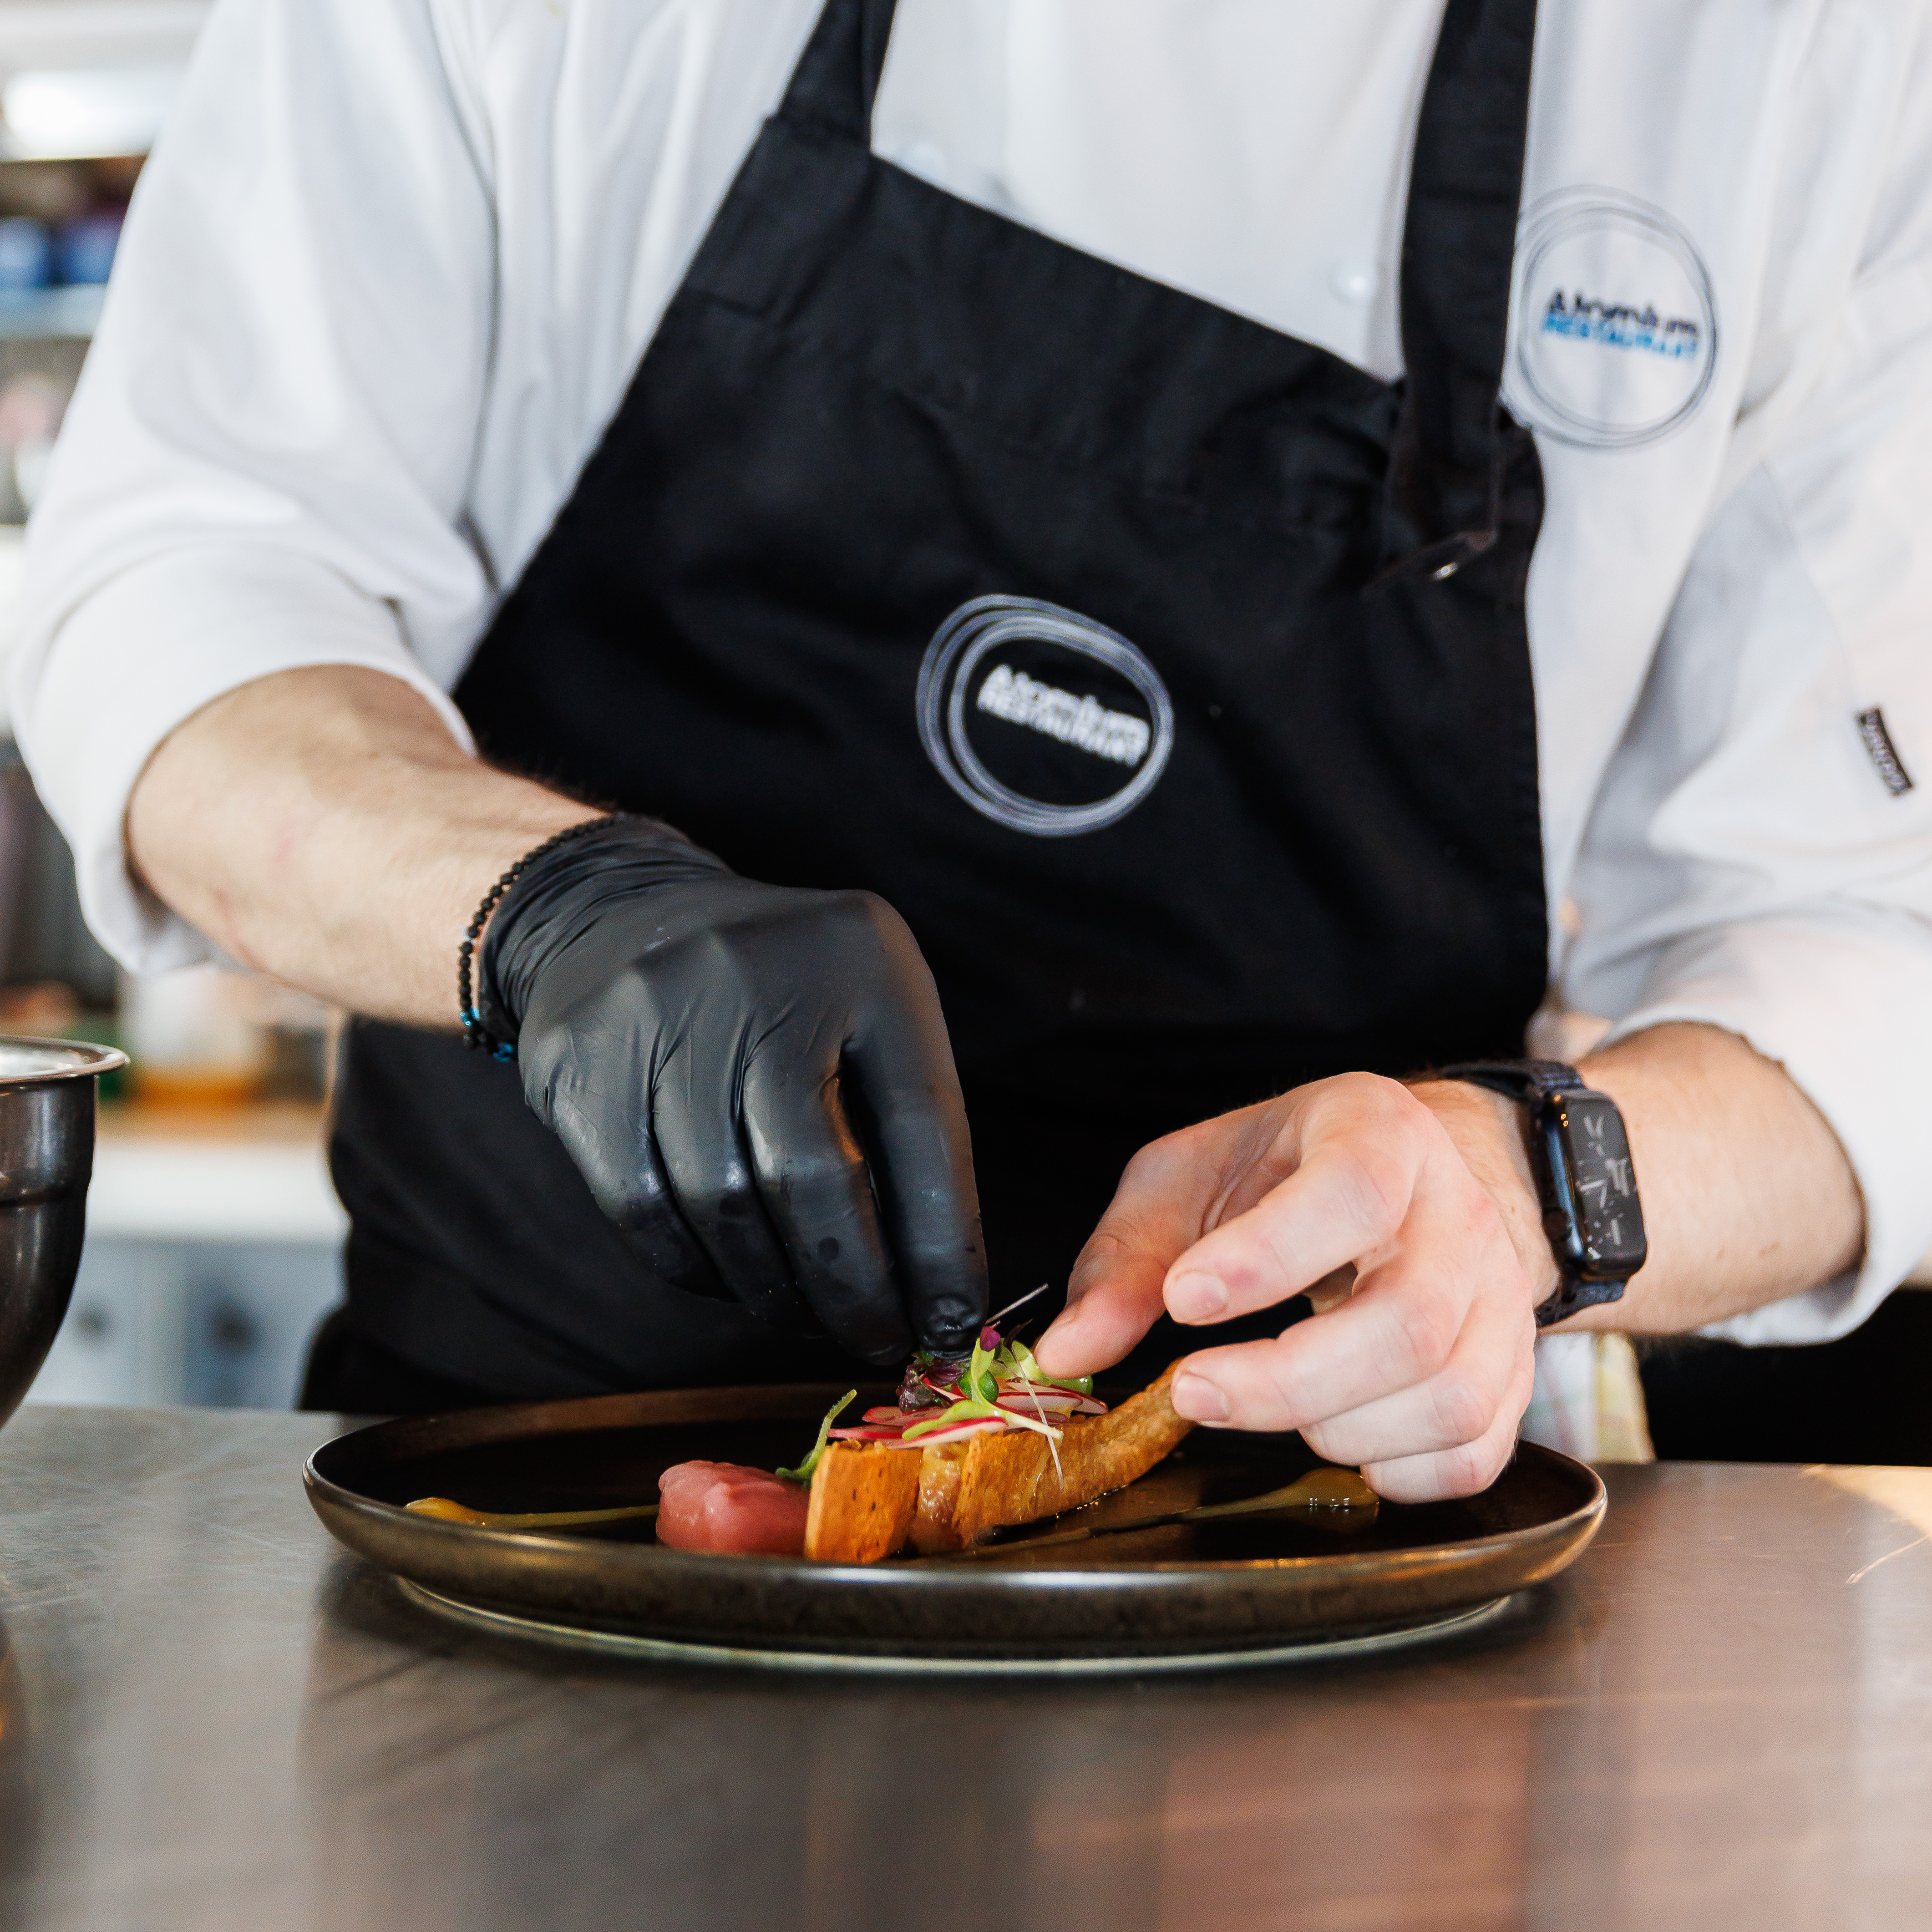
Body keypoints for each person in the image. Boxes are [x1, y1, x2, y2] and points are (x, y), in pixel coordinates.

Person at [15, 0, 1931, 1498]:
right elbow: (182, 593)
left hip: (1342, 1615)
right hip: (522, 1536)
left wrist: (1518, 1190)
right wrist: (547, 908)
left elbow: (1878, 967)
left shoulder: (1808, 55)